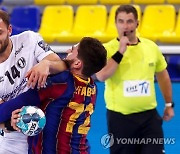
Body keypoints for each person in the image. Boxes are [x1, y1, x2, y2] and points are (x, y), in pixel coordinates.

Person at [0, 37, 107, 153]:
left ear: (77, 63)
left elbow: (18, 104)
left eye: (72, 51)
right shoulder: (92, 87)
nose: (67, 52)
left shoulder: (61, 81)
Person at [96, 5, 174, 154]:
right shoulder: (107, 49)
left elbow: (163, 76)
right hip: (120, 119)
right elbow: (101, 75)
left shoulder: (151, 47)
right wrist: (120, 52)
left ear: (137, 24)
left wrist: (169, 104)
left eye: (130, 21)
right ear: (115, 23)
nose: (125, 26)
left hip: (149, 118)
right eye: (121, 21)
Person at [0, 10, 67, 154]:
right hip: (12, 140)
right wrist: (7, 125)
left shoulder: (29, 39)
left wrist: (47, 64)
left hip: (47, 130)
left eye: (0, 32)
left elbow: (61, 66)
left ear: (9, 30)